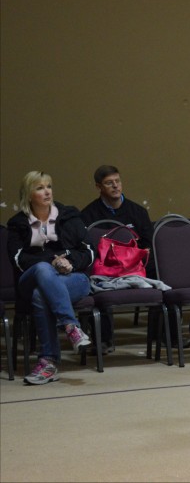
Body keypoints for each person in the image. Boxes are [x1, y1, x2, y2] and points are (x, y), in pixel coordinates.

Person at [7, 171, 94, 385]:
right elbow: (18, 259)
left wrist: (70, 261)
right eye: (39, 188)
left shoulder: (69, 216)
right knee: (43, 269)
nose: (47, 192)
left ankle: (48, 363)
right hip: (30, 278)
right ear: (28, 195)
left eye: (48, 186)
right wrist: (54, 260)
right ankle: (71, 326)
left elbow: (90, 252)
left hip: (73, 278)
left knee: (41, 295)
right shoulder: (18, 223)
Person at [81, 164, 155, 353]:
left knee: (159, 271)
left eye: (117, 181)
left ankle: (164, 335)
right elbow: (86, 247)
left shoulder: (138, 212)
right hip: (104, 269)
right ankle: (103, 340)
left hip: (134, 267)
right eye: (109, 183)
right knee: (87, 280)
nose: (115, 186)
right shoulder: (88, 215)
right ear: (99, 187)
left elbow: (147, 244)